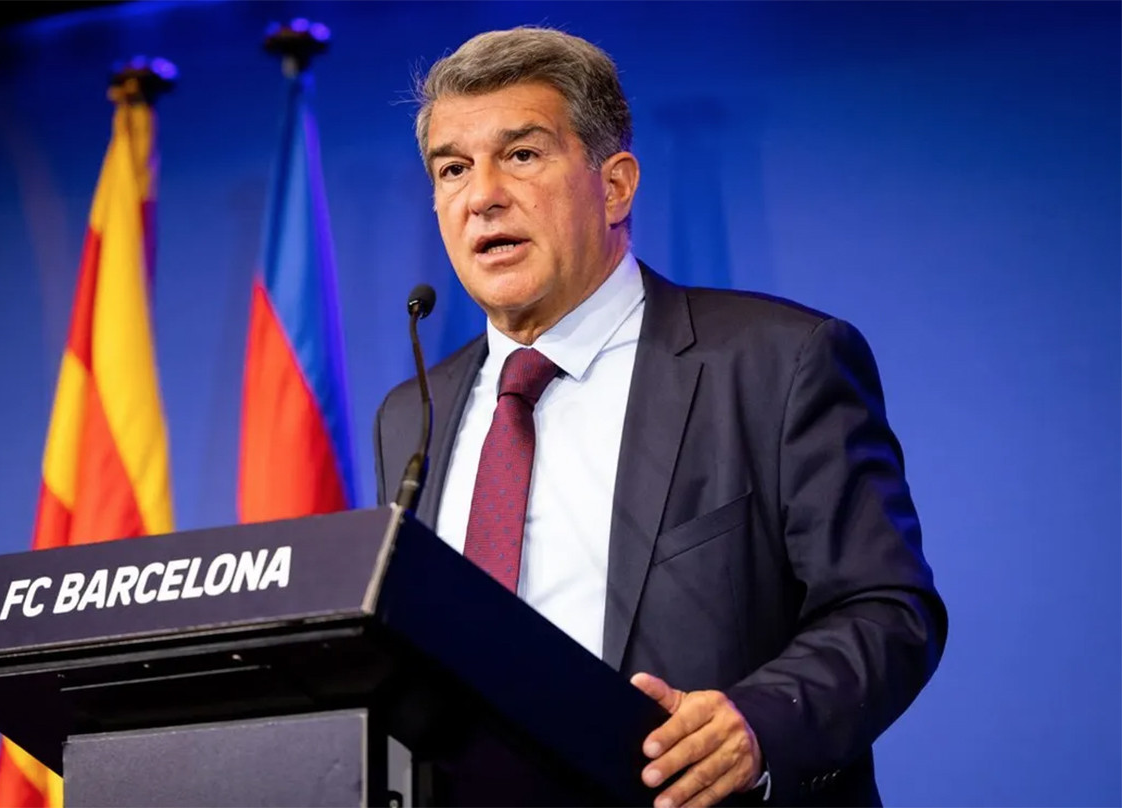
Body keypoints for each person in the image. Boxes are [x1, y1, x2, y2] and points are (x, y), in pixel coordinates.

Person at [373, 26, 946, 808]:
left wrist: (758, 723)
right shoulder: (413, 413)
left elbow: (887, 609)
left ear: (614, 186)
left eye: (523, 154)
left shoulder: (779, 362)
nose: (483, 196)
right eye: (452, 168)